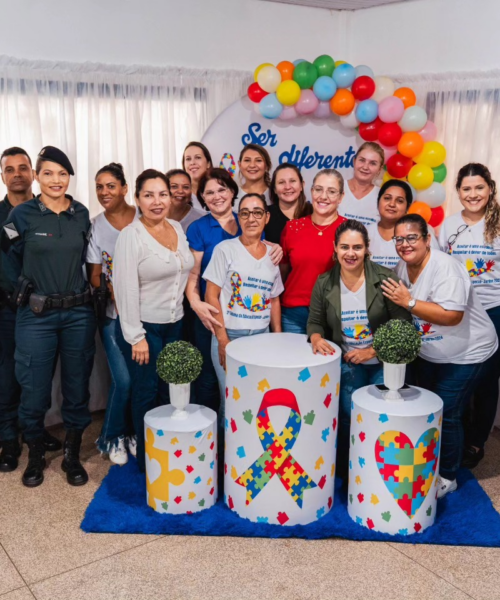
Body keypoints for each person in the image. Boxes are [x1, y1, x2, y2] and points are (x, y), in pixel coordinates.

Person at [1, 146, 96, 487]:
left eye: (62, 174)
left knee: (76, 386)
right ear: (37, 177)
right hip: (35, 317)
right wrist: (22, 295)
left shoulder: (82, 214)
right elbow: (6, 259)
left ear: (69, 177)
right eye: (49, 173)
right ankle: (36, 455)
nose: (56, 180)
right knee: (34, 390)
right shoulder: (22, 215)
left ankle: (71, 455)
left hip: (77, 315)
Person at [384, 214, 498, 498]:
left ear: (426, 239)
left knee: (447, 411)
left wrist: (408, 301)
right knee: (428, 407)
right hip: (433, 352)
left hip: (469, 352)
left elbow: (452, 316)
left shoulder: (446, 268)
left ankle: (448, 475)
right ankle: (428, 462)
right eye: (399, 239)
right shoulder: (402, 266)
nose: (405, 244)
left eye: (411, 238)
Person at [307, 219, 412, 477]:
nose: (350, 253)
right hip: (346, 361)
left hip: (382, 362)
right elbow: (315, 321)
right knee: (347, 415)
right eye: (344, 247)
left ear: (367, 248)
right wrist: (317, 338)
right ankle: (348, 470)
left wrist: (371, 351)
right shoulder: (324, 282)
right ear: (335, 248)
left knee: (382, 417)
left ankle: (379, 471)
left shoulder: (386, 279)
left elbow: (402, 325)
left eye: (357, 247)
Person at [113, 169, 194, 472]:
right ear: (137, 199)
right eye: (149, 195)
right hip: (146, 329)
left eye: (163, 194)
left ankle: (170, 449)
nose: (157, 201)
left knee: (171, 390)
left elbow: (182, 273)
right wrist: (136, 336)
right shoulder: (130, 236)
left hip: (177, 323)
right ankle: (149, 461)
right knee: (146, 393)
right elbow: (124, 288)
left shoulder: (176, 226)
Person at [186, 168, 282, 414]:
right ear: (203, 198)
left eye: (221, 189)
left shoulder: (267, 248)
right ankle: (220, 444)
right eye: (209, 192)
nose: (217, 196)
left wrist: (276, 336)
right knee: (222, 392)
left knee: (257, 397)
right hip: (218, 319)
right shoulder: (209, 236)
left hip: (259, 332)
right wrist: (221, 337)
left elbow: (273, 296)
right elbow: (198, 278)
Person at [0, 147, 63, 472]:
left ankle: (33, 431)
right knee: (10, 376)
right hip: (12, 311)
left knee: (39, 376)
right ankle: (9, 440)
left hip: (48, 310)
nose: (17, 174)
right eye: (9, 169)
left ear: (33, 174)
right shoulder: (3, 218)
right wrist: (19, 295)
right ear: (3, 176)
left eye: (23, 167)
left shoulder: (47, 209)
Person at [438, 163, 500, 468]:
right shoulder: (449, 226)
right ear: (458, 191)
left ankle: (476, 441)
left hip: (495, 309)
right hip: (460, 310)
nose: (473, 194)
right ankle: (456, 435)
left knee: (488, 379)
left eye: (479, 187)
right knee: (461, 374)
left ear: (490, 188)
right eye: (466, 188)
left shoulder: (499, 223)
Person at [86, 162, 138, 465]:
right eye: (99, 187)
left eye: (110, 186)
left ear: (124, 188)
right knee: (124, 380)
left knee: (142, 379)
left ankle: (131, 431)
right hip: (112, 315)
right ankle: (110, 436)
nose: (104, 192)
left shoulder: (144, 218)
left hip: (147, 315)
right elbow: (94, 275)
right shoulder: (96, 225)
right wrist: (114, 289)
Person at [280, 168, 346, 334]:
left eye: (331, 191)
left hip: (331, 313)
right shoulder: (292, 228)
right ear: (311, 191)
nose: (323, 196)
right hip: (293, 313)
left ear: (341, 197)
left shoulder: (350, 230)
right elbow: (283, 273)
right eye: (318, 189)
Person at [367, 179, 439, 269]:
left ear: (407, 207)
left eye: (399, 201)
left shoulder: (420, 232)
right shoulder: (365, 233)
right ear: (378, 202)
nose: (392, 204)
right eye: (387, 198)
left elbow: (434, 266)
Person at [264, 163, 312, 244]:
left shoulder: (315, 213)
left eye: (292, 181)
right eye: (281, 182)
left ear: (302, 185)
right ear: (274, 189)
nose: (287, 187)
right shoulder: (265, 214)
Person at [339, 142, 384, 227]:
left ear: (379, 169)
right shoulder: (337, 187)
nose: (365, 167)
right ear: (354, 161)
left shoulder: (383, 196)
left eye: (373, 163)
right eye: (362, 160)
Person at [235, 144, 273, 211]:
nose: (252, 165)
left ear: (267, 165)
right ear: (239, 164)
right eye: (247, 160)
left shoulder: (275, 195)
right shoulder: (233, 197)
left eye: (258, 160)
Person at [165, 169, 205, 233]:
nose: (180, 191)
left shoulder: (202, 219)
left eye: (185, 187)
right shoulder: (154, 217)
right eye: (174, 187)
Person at [182, 141, 212, 211]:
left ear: (208, 163)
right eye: (188, 159)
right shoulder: (179, 194)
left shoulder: (219, 192)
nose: (192, 163)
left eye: (198, 157)